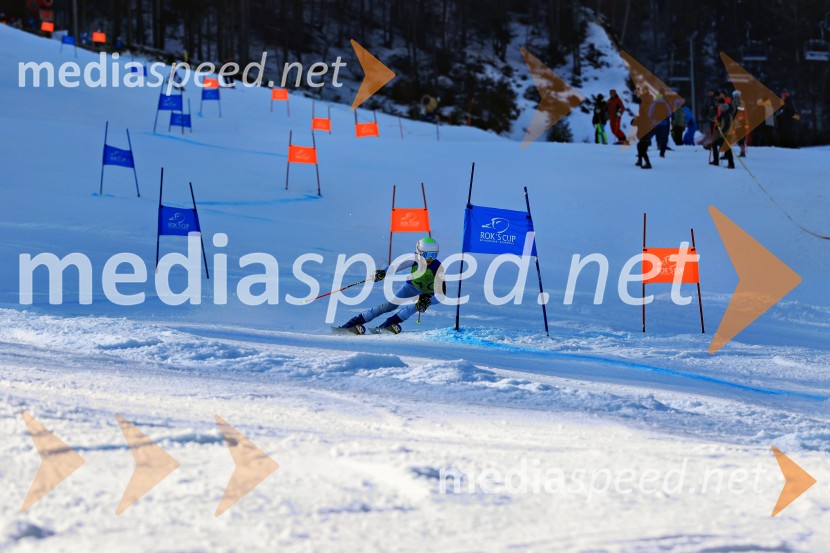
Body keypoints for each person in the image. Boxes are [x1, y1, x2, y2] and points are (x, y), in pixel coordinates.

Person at [337, 237, 444, 335]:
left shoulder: (438, 268)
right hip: (411, 287)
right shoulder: (414, 258)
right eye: (426, 255)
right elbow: (398, 266)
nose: (430, 258)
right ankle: (354, 323)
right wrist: (384, 272)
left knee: (415, 306)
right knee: (389, 306)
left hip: (427, 294)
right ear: (419, 252)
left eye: (433, 255)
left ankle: (389, 324)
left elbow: (441, 294)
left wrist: (429, 301)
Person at [711, 101, 735, 169]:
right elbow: (721, 123)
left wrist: (721, 132)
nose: (719, 108)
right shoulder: (723, 115)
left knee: (727, 148)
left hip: (726, 134)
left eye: (721, 107)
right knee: (715, 144)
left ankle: (731, 164)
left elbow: (726, 126)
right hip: (723, 134)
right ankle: (716, 161)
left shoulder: (726, 115)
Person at [649, 89, 672, 157]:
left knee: (655, 135)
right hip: (664, 122)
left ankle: (655, 145)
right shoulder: (665, 103)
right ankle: (662, 152)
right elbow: (669, 113)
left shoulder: (654, 103)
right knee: (664, 137)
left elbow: (650, 113)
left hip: (655, 123)